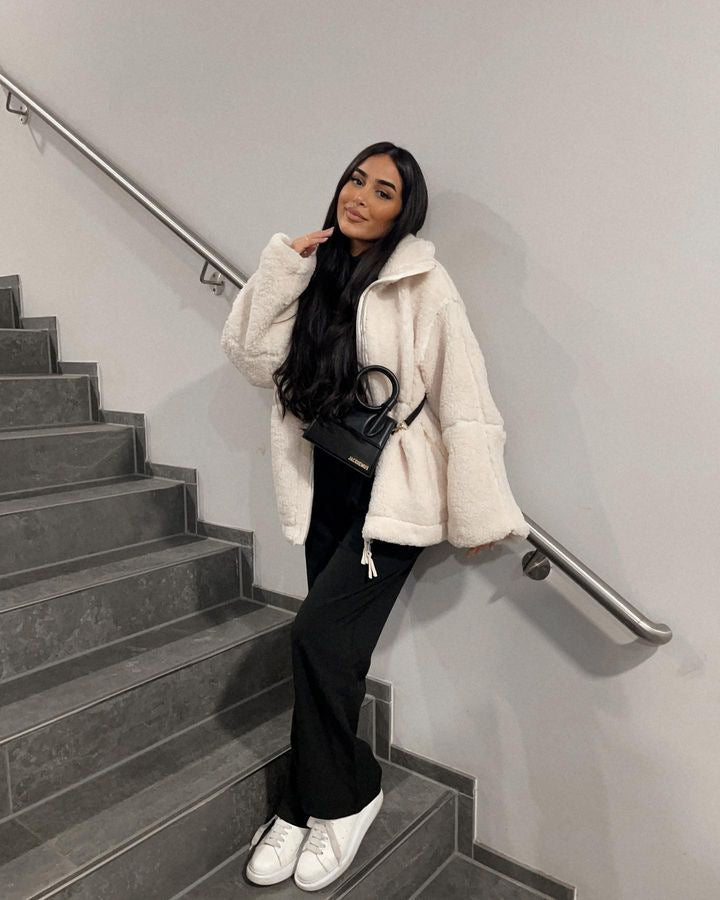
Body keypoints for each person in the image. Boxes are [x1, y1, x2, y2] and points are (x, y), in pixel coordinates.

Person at [220, 142, 529, 891]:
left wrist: (479, 509)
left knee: (315, 636)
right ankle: (304, 804)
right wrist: (281, 272)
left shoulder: (424, 281)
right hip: (325, 481)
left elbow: (463, 391)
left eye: (382, 190)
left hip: (391, 497)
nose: (360, 196)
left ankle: (345, 795)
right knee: (335, 656)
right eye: (355, 180)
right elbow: (252, 359)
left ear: (402, 211)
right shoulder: (314, 272)